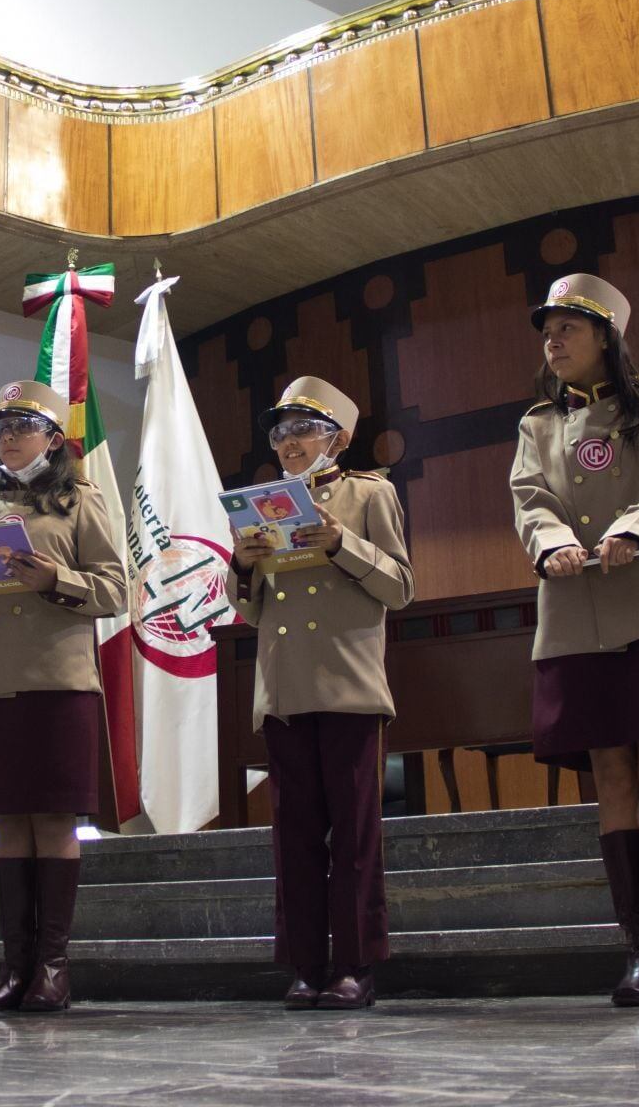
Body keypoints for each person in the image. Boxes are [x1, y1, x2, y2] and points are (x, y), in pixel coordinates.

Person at [510, 273, 639, 1007]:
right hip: (576, 614)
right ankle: (637, 949)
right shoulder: (538, 423)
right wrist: (555, 543)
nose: (554, 340)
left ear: (606, 336)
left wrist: (635, 530)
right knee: (610, 775)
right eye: (548, 330)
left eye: (568, 327)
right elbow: (530, 500)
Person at [0, 380, 125, 1013]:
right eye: (0, 428)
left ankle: (52, 967)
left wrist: (55, 579)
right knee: (8, 820)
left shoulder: (80, 502)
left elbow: (115, 590)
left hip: (56, 679)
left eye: (21, 425)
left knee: (51, 817)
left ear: (52, 438)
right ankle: (13, 967)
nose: (8, 436)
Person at [228, 377, 413, 1011]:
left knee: (354, 836)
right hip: (284, 687)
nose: (289, 443)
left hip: (348, 684)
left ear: (337, 436)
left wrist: (341, 544)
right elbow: (248, 610)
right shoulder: (259, 505)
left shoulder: (369, 493)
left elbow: (400, 586)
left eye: (302, 430)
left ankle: (356, 964)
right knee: (296, 835)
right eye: (280, 434)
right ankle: (306, 963)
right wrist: (244, 563)